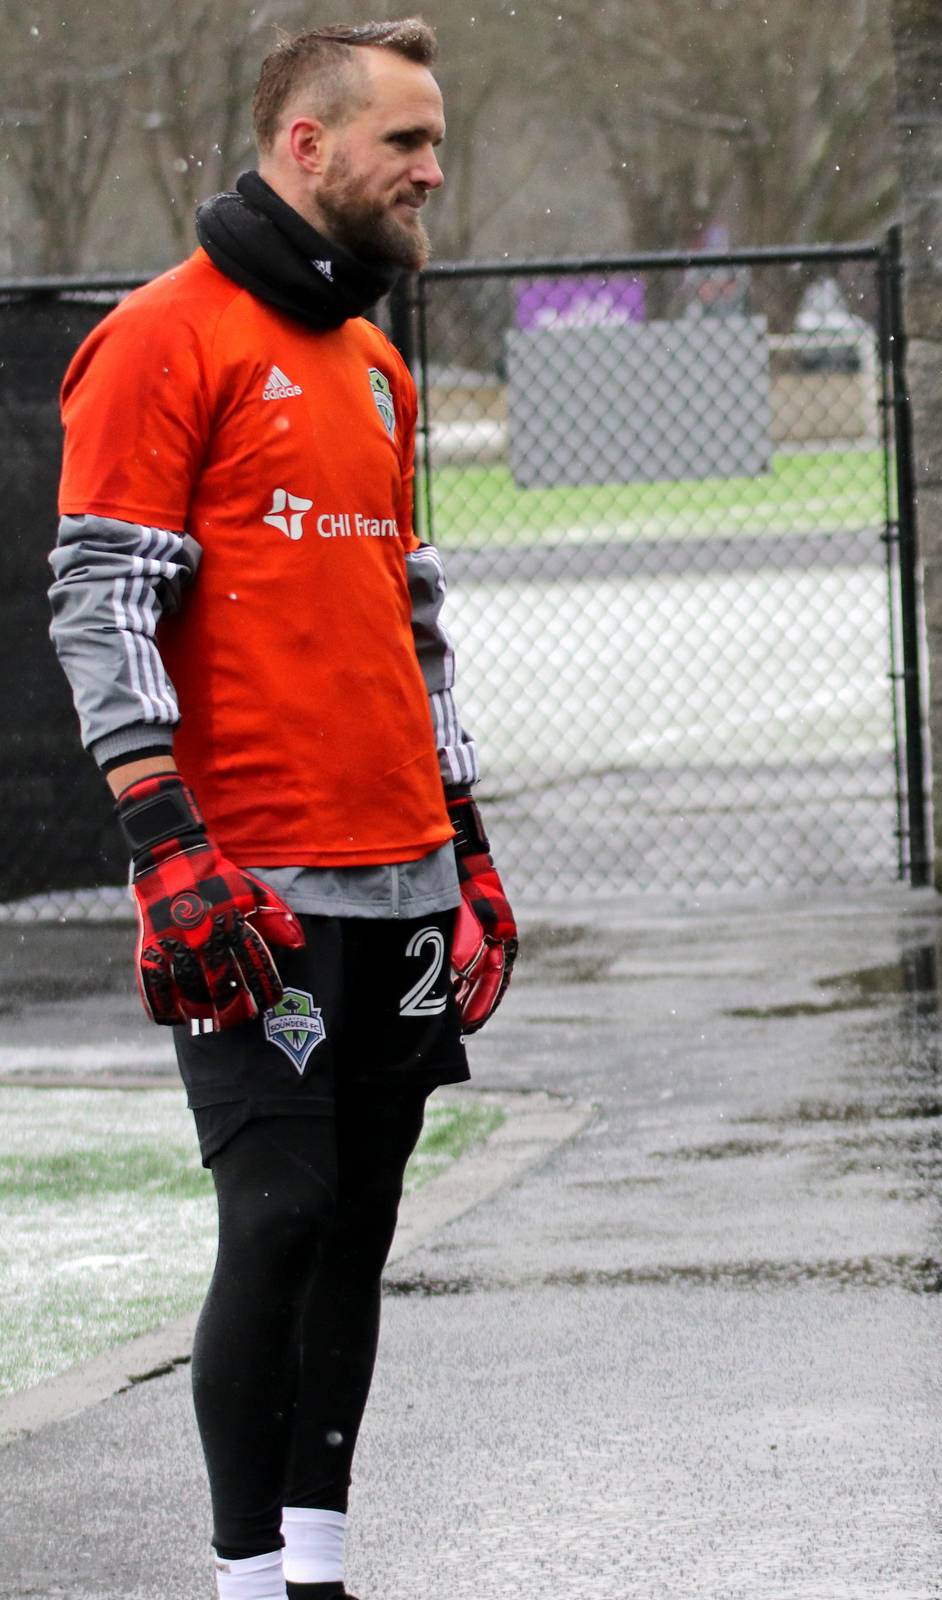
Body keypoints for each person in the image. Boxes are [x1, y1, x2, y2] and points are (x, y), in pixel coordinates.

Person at [44, 20, 515, 1600]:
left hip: (400, 871)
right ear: (306, 146)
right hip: (249, 878)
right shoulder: (160, 339)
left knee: (361, 1222)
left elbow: (412, 614)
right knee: (282, 1208)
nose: (433, 168)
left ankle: (318, 1568)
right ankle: (246, 1582)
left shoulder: (376, 363)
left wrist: (472, 844)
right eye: (406, 141)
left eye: (436, 140)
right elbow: (99, 605)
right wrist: (164, 843)